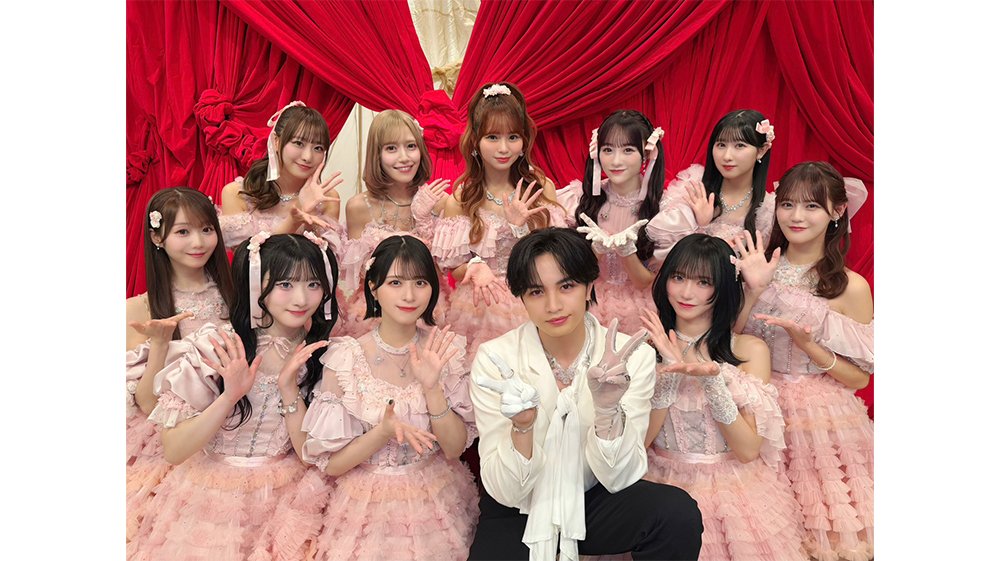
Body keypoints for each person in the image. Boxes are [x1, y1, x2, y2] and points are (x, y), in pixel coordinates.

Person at [468, 227, 703, 561]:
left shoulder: (631, 355)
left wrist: (607, 411)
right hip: (519, 502)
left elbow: (620, 476)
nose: (553, 305)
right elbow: (505, 490)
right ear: (521, 297)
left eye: (566, 286)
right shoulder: (496, 358)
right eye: (536, 291)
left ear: (589, 286)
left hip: (593, 494)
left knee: (676, 513)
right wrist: (522, 428)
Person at [129, 232, 339, 560]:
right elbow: (174, 450)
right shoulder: (218, 346)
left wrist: (289, 390)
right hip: (210, 498)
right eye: (285, 284)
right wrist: (229, 396)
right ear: (255, 284)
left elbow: (309, 454)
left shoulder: (324, 354)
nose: (301, 299)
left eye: (313, 284)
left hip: (286, 499)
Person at [300, 235, 479, 560]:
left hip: (433, 502)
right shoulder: (346, 357)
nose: (409, 295)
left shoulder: (445, 350)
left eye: (420, 282)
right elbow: (332, 465)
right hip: (363, 508)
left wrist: (432, 388)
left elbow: (454, 449)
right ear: (373, 288)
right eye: (395, 282)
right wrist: (381, 433)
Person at [735, 161, 873, 561]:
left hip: (820, 422)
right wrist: (752, 290)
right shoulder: (755, 264)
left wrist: (811, 347)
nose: (797, 216)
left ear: (837, 211)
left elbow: (860, 380)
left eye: (811, 206)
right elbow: (725, 341)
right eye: (788, 204)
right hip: (754, 405)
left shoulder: (851, 287)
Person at [640, 233, 808, 561]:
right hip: (659, 490)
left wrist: (712, 381)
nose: (686, 292)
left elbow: (748, 450)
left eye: (703, 282)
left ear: (723, 288)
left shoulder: (749, 350)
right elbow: (639, 444)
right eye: (678, 277)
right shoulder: (644, 348)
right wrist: (670, 372)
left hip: (733, 496)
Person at [124, 187, 235, 542]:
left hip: (236, 432)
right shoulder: (138, 309)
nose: (198, 242)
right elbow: (147, 404)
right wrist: (160, 343)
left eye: (206, 229)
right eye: (183, 231)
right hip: (175, 443)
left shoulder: (240, 296)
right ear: (157, 237)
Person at [431, 82, 568, 364]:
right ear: (475, 141)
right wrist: (474, 267)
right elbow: (454, 267)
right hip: (481, 308)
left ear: (524, 141)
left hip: (535, 300)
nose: (504, 148)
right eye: (492, 137)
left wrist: (521, 230)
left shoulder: (541, 188)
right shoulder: (461, 199)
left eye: (513, 137)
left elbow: (557, 257)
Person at [337, 109, 452, 337]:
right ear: (376, 154)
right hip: (374, 312)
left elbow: (445, 267)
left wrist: (424, 220)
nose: (404, 157)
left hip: (429, 309)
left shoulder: (439, 201)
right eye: (391, 148)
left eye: (411, 146)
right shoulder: (359, 206)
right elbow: (360, 276)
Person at [558, 109, 668, 336]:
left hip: (641, 308)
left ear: (647, 153)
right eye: (608, 150)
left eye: (628, 150)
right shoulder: (580, 200)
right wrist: (595, 251)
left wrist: (627, 252)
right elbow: (574, 275)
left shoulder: (664, 208)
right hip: (588, 303)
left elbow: (644, 282)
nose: (616, 161)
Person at [645, 109, 776, 257]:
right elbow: (661, 255)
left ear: (762, 150)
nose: (727, 156)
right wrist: (699, 225)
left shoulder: (768, 212)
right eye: (721, 145)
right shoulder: (693, 190)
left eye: (740, 145)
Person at [218, 101, 345, 251]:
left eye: (318, 148)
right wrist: (294, 220)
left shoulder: (327, 199)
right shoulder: (238, 194)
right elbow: (246, 260)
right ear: (276, 141)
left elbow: (326, 261)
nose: (308, 157)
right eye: (298, 143)